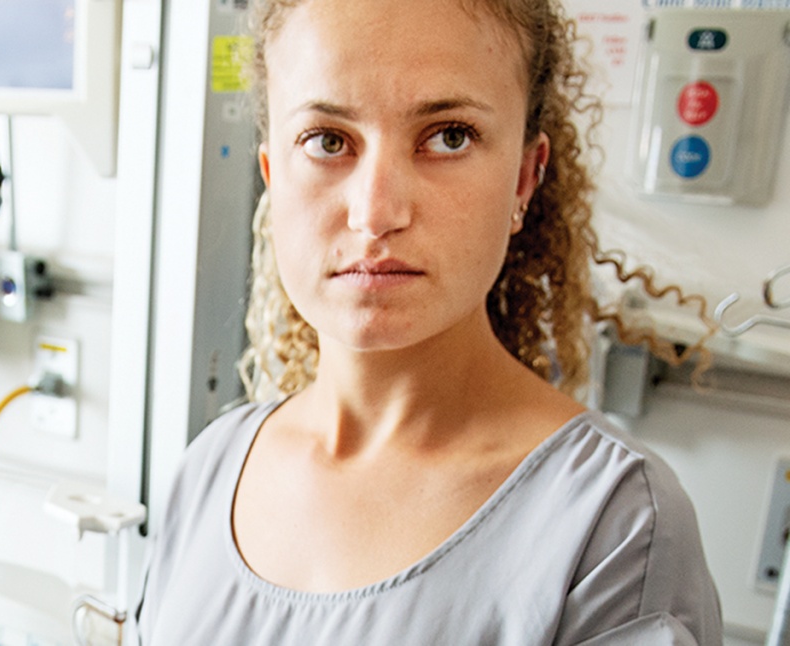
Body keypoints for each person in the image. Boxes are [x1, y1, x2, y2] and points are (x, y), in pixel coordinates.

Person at [136, 0, 723, 643]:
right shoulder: (212, 468)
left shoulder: (613, 526)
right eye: (329, 142)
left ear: (525, 178)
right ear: (273, 177)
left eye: (449, 136)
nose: (375, 210)